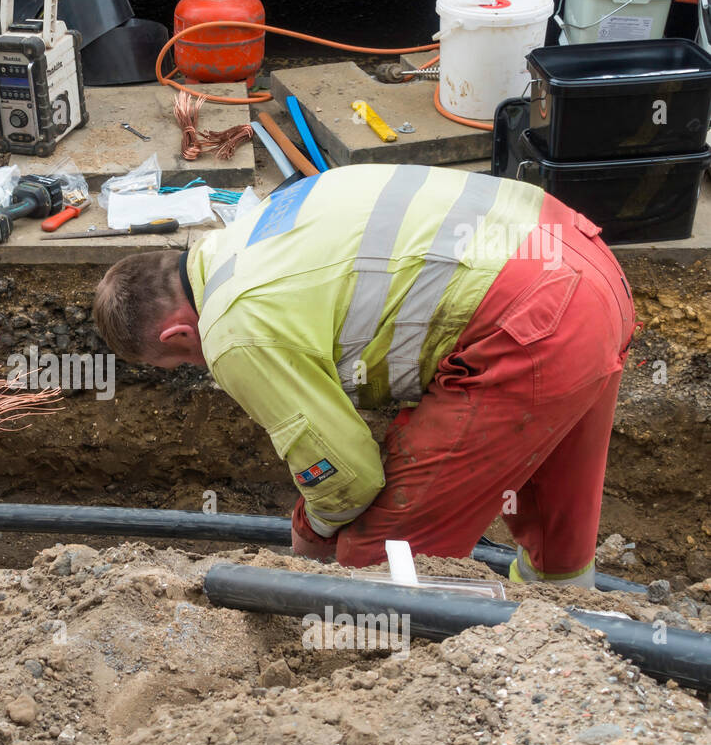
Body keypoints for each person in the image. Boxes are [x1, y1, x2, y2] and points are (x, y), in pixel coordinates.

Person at [93, 164, 635, 588]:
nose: (202, 364)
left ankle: (407, 693)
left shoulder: (233, 327)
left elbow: (349, 479)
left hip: (530, 320)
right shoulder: (260, 222)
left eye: (185, 362)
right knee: (552, 515)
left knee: (377, 558)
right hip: (585, 264)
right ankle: (569, 630)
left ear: (176, 336)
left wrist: (311, 536)